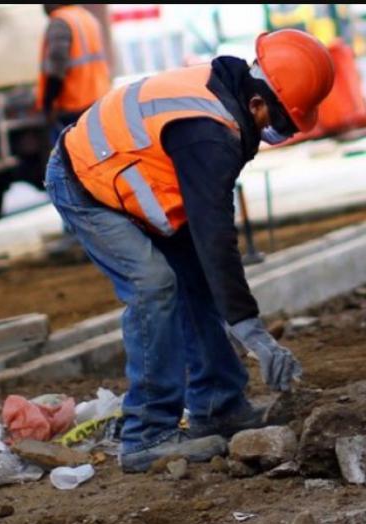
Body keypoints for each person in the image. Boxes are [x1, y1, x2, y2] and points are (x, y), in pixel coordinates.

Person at [43, 29, 334, 473]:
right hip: (86, 182)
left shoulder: (225, 98)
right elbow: (216, 235)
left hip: (134, 180)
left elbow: (209, 243)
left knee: (194, 279)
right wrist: (253, 332)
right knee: (154, 285)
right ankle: (147, 433)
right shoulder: (210, 134)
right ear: (258, 104)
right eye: (278, 124)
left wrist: (240, 317)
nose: (272, 135)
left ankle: (219, 406)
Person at [36, 4, 112, 146]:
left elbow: (57, 66)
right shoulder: (85, 17)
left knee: (67, 160)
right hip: (97, 101)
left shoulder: (61, 21)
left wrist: (48, 103)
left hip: (73, 106)